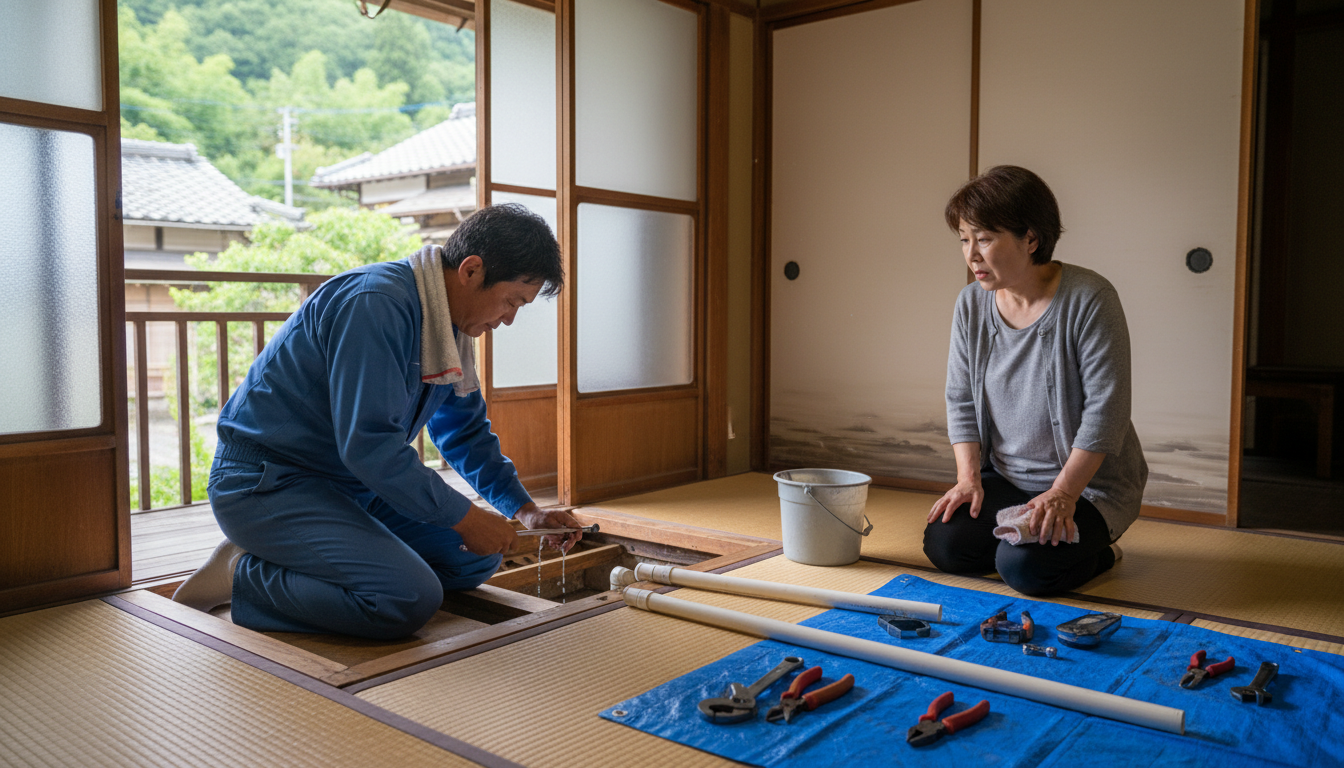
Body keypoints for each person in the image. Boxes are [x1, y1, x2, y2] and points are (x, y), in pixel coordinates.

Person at [172, 203, 583, 639]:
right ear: (472, 270)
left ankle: (323, 558)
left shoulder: (449, 327)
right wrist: (464, 516)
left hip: (348, 486)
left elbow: (463, 431)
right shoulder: (377, 303)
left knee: (475, 556)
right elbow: (369, 446)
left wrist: (525, 511)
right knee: (408, 598)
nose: (508, 319)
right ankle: (244, 575)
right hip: (268, 484)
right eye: (511, 301)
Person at [923, 166, 1147, 596]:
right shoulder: (971, 304)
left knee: (1026, 570)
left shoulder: (1090, 299)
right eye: (964, 240)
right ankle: (1021, 535)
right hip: (1008, 480)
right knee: (946, 545)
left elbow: (1108, 410)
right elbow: (960, 400)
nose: (971, 255)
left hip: (1086, 488)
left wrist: (1062, 494)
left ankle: (1099, 551)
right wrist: (968, 479)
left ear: (1031, 238)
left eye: (985, 239)